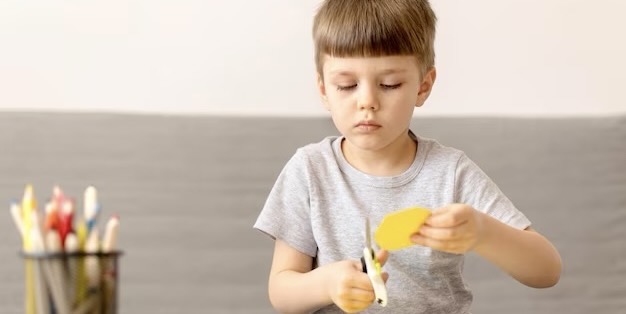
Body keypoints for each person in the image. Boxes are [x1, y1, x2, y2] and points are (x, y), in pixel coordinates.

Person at [253, 0, 562, 313]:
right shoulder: (309, 170)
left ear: (423, 87)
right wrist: (327, 284)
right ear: (323, 90)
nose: (367, 101)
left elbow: (546, 270)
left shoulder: (450, 173)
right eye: (346, 85)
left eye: (389, 84)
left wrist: (483, 232)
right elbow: (281, 291)